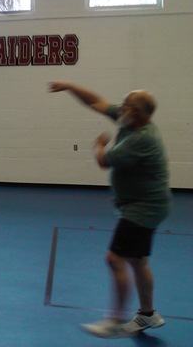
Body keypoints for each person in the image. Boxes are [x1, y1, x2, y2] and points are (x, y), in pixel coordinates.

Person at [49, 81, 171, 338]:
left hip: (143, 208)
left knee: (115, 259)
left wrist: (99, 144)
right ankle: (148, 314)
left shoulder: (141, 137)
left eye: (125, 105)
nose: (120, 108)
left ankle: (114, 321)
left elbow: (104, 161)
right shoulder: (130, 120)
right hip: (150, 205)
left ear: (135, 112)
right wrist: (70, 86)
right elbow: (97, 102)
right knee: (138, 259)